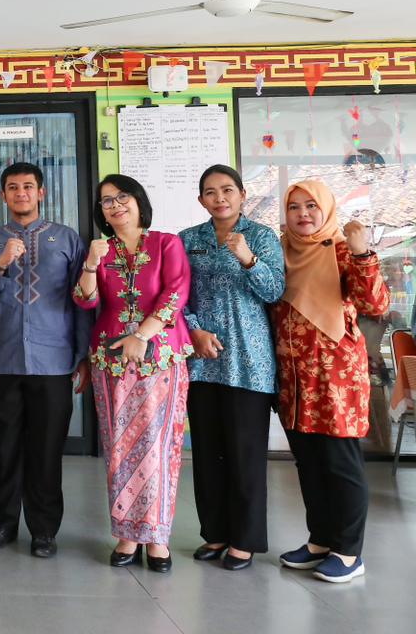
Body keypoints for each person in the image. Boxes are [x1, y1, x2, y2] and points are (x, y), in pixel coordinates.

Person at [0, 162, 90, 559]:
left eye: (27, 186)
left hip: (53, 362)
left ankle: (44, 530)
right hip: (3, 361)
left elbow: (82, 301)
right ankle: (2, 523)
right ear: (3, 195)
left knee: (46, 450)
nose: (20, 193)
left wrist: (83, 355)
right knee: (6, 448)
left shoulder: (67, 238)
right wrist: (1, 262)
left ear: (41, 193)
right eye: (12, 187)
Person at [74, 174, 191, 574]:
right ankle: (126, 534)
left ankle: (157, 536)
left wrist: (142, 335)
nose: (115, 205)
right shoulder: (99, 250)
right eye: (106, 200)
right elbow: (85, 300)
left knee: (159, 446)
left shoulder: (166, 243)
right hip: (111, 360)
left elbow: (176, 292)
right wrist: (91, 264)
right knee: (120, 448)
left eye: (122, 197)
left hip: (160, 356)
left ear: (139, 201)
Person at [274, 180, 388, 583]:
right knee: (309, 463)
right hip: (293, 378)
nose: (303, 214)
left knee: (341, 464)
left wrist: (362, 252)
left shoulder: (341, 250)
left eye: (311, 205)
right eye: (294, 207)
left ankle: (349, 552)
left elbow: (374, 303)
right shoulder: (279, 251)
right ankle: (320, 541)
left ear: (326, 209)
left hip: (335, 377)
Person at [179, 165, 285, 571]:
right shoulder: (188, 240)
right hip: (203, 361)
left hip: (248, 361)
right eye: (210, 192)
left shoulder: (261, 236)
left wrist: (248, 259)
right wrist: (194, 331)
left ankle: (244, 539)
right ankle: (216, 533)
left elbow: (274, 291)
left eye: (227, 190)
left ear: (242, 194)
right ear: (201, 199)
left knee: (244, 455)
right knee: (208, 453)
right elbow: (176, 296)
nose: (219, 198)